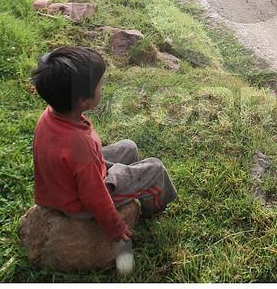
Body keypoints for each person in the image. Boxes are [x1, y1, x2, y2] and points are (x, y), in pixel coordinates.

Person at [30, 47, 177, 271]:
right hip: (78, 202)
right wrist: (116, 225)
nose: (102, 88)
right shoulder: (81, 145)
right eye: (99, 85)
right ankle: (152, 208)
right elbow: (93, 196)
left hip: (63, 183)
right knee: (154, 169)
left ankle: (129, 183)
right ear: (82, 101)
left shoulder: (50, 115)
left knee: (129, 147)